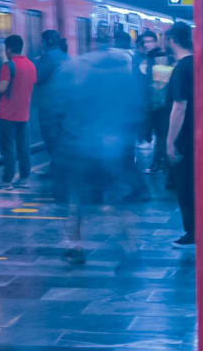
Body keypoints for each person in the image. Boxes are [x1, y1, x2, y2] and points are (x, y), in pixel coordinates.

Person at [54, 27, 149, 262]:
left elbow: (62, 106)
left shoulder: (77, 68)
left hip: (82, 145)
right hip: (115, 146)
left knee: (77, 200)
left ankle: (76, 246)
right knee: (118, 198)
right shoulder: (125, 71)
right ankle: (130, 243)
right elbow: (136, 106)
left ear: (93, 42)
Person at [0, 33, 37, 190]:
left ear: (8, 49)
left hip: (7, 114)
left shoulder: (8, 66)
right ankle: (24, 178)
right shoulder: (31, 66)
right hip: (23, 114)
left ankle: (6, 181)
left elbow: (1, 88)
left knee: (8, 148)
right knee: (23, 147)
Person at [165, 22, 197, 246]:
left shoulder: (181, 68)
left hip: (185, 136)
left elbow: (179, 106)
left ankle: (192, 231)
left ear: (172, 40)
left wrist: (170, 141)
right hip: (201, 132)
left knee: (185, 185)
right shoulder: (199, 63)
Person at [33, 28, 70, 195]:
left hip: (50, 106)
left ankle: (57, 170)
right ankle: (59, 168)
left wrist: (36, 62)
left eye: (42, 42)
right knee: (60, 138)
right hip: (64, 105)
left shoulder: (48, 57)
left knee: (51, 138)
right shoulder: (65, 56)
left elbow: (37, 77)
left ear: (47, 42)